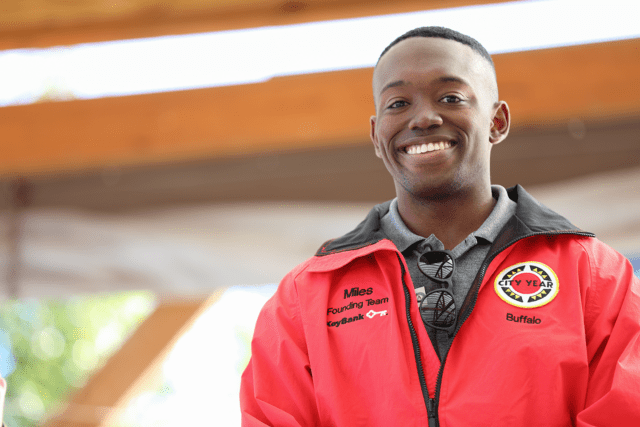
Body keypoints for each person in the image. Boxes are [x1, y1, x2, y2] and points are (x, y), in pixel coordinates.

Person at [240, 26, 640, 426]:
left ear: (497, 121)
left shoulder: (593, 276)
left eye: (451, 97)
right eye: (398, 103)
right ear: (377, 135)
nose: (424, 118)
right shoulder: (305, 297)